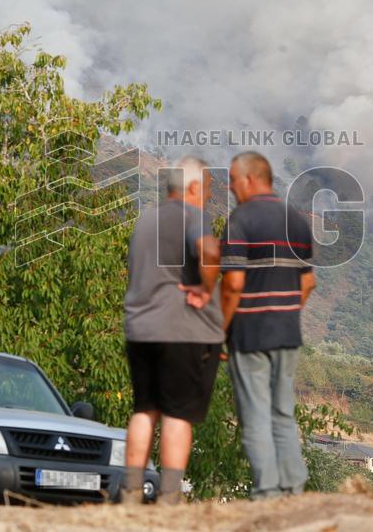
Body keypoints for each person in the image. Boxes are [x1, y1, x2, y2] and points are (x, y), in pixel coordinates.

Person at [121, 155, 224, 505]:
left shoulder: (145, 220)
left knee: (144, 410)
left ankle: (131, 491)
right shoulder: (192, 217)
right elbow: (209, 251)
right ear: (193, 187)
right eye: (207, 189)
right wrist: (206, 289)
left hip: (140, 330)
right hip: (179, 330)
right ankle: (168, 496)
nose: (208, 196)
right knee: (178, 414)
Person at [220, 151, 316, 500]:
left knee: (255, 415)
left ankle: (267, 494)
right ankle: (293, 487)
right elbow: (308, 284)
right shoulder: (298, 221)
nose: (230, 188)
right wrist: (286, 312)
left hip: (249, 334)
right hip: (287, 333)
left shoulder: (239, 221)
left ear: (249, 179)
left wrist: (220, 331)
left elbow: (232, 285)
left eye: (232, 180)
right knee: (283, 412)